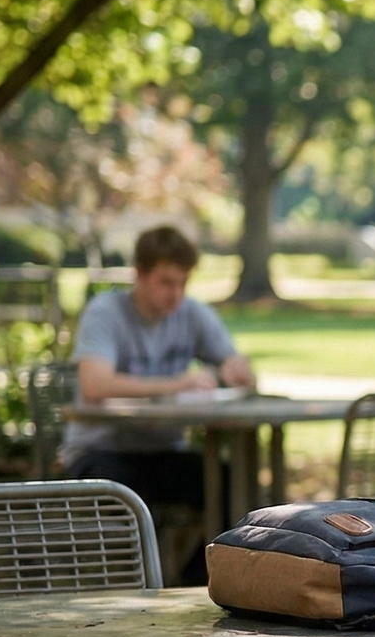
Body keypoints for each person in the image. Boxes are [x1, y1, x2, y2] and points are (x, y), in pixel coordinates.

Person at [62, 226, 255, 576]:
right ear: (140, 274)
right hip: (102, 452)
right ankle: (141, 597)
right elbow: (95, 384)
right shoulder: (105, 313)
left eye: (183, 283)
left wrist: (237, 370)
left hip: (164, 452)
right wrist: (176, 383)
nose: (176, 294)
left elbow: (236, 364)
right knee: (136, 505)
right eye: (166, 283)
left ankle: (195, 584)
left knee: (238, 490)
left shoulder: (192, 314)